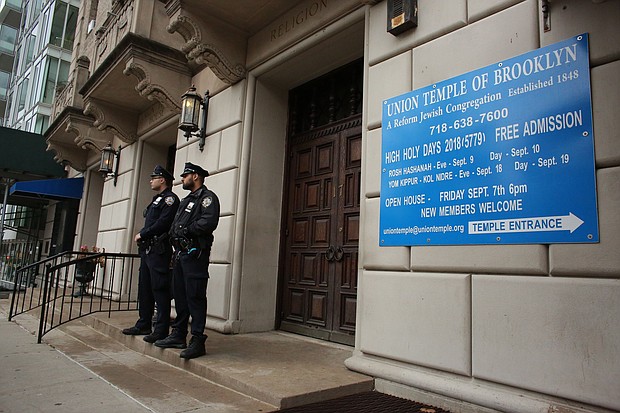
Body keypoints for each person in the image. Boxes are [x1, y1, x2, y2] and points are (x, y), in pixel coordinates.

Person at [155, 162, 220, 359]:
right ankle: (178, 334)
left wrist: (187, 231)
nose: (182, 179)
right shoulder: (186, 201)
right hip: (180, 255)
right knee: (180, 296)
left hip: (195, 255)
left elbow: (208, 222)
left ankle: (198, 339)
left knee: (195, 296)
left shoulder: (207, 198)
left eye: (185, 175)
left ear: (196, 176)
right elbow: (175, 225)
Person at [122, 165, 179, 344]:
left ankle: (161, 328)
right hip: (148, 250)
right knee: (145, 287)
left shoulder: (170, 199)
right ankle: (144, 323)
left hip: (159, 250)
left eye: (154, 177)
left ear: (162, 180)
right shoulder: (157, 199)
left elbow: (163, 223)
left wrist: (143, 234)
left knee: (159, 289)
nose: (150, 180)